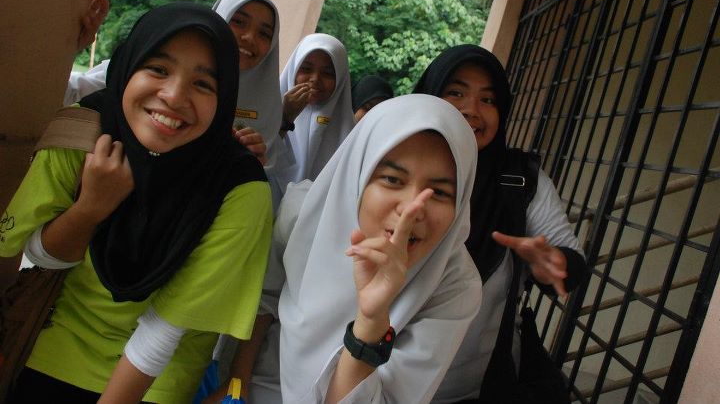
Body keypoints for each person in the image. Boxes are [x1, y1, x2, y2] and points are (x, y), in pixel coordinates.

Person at [1, 3, 273, 403]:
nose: (174, 96)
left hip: (157, 379)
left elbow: (165, 328)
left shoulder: (238, 187)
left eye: (203, 84)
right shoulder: (81, 133)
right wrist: (90, 208)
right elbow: (39, 257)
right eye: (158, 69)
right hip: (51, 344)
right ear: (128, 66)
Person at [208, 94, 482, 403]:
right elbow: (265, 301)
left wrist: (371, 323)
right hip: (264, 384)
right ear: (358, 173)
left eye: (440, 192)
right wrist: (236, 384)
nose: (411, 209)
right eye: (392, 179)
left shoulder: (454, 286)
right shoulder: (303, 213)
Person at [412, 45, 586, 402]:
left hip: (476, 390)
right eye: (456, 92)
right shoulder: (390, 160)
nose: (471, 110)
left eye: (488, 99)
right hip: (379, 379)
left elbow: (572, 263)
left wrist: (553, 262)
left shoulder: (519, 180)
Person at [65, 0, 281, 165]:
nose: (249, 37)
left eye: (264, 33)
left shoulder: (270, 104)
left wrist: (247, 162)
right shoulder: (140, 67)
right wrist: (68, 49)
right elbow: (71, 93)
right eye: (239, 21)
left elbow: (267, 173)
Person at [268, 33, 354, 203]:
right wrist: (284, 117)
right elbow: (260, 160)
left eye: (328, 73)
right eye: (306, 69)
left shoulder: (350, 131)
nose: (315, 79)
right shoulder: (267, 111)